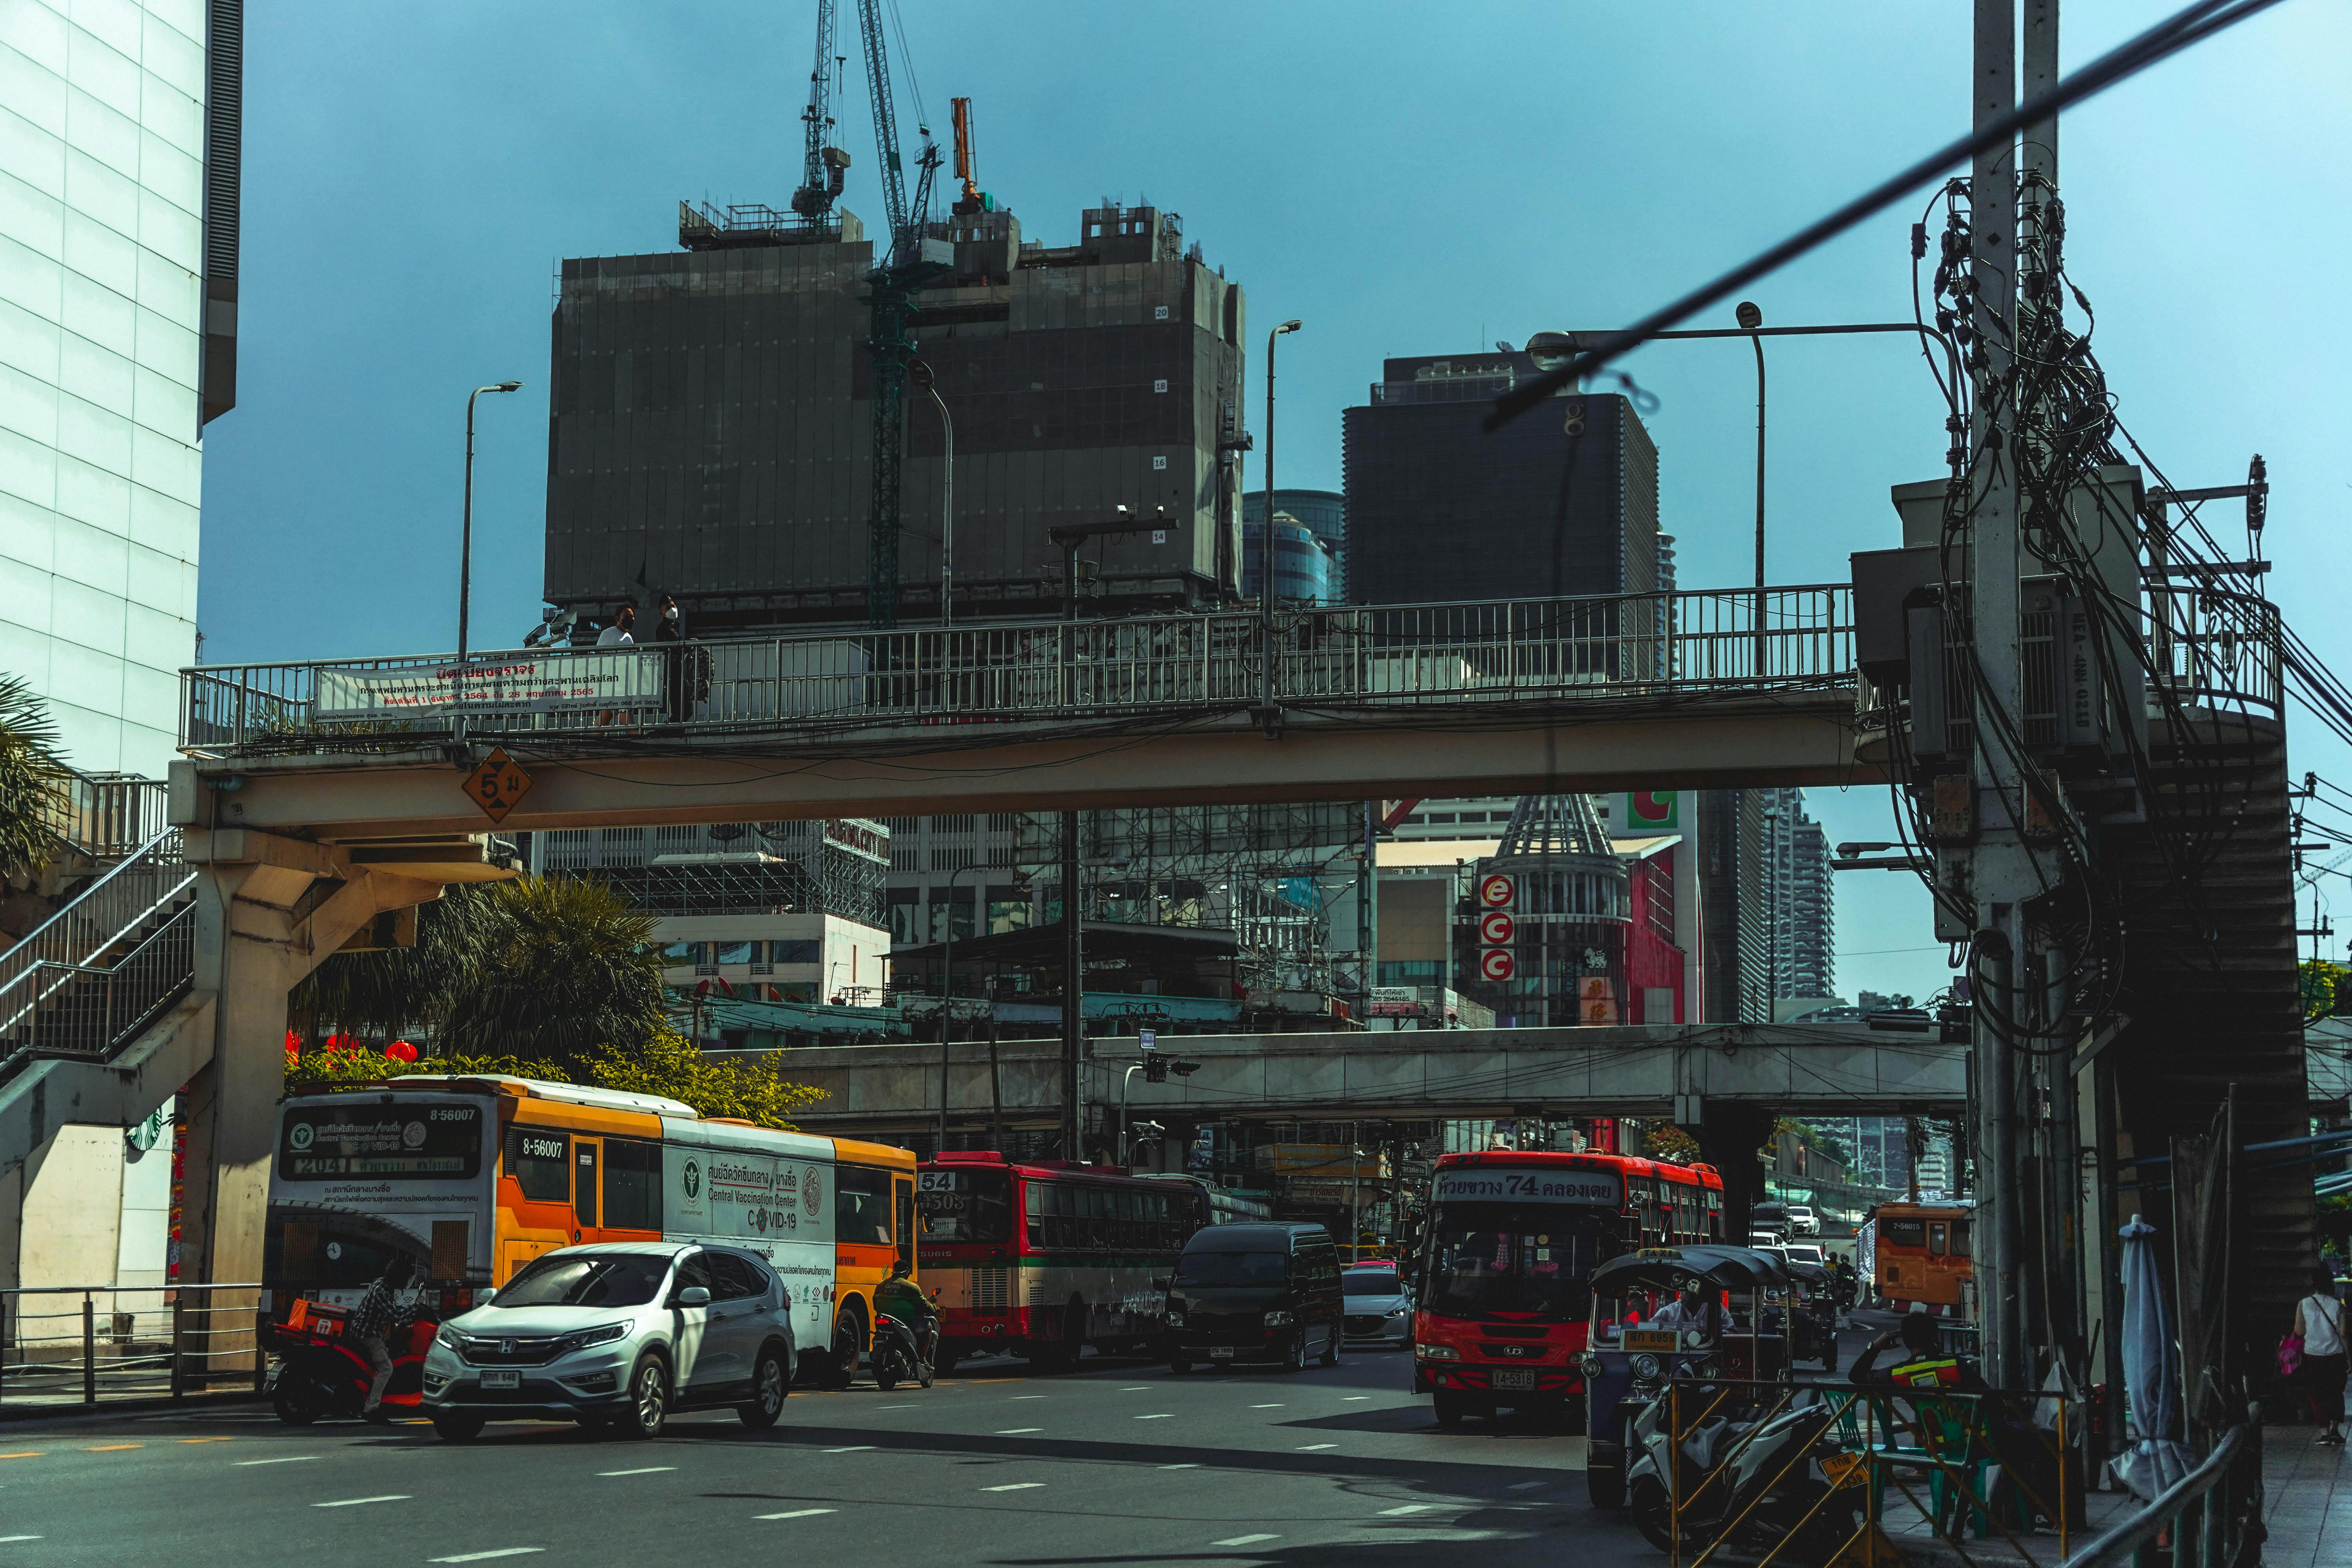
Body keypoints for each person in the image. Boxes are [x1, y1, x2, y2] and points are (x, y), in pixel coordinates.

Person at [351, 1254, 415, 1422]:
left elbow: (393, 1309)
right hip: (367, 1334)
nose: (407, 1282)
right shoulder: (381, 1291)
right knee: (387, 1368)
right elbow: (395, 1314)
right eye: (406, 1278)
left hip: (369, 1331)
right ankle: (371, 1410)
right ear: (399, 1277)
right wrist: (416, 1309)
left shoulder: (382, 1284)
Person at [2298, 1266, 2347, 1445]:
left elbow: (2299, 1331)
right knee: (2336, 1392)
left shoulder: (2304, 1304)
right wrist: (2350, 1358)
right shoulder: (2337, 1305)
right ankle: (2335, 1431)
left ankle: (2324, 1432)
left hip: (2313, 1355)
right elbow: (2343, 1334)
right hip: (2335, 1356)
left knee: (2316, 1394)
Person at [649, 593, 696, 725]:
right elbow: (670, 649)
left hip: (679, 671)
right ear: (662, 613)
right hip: (671, 672)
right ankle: (667, 731)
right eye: (667, 607)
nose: (672, 609)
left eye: (672, 605)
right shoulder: (663, 628)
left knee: (686, 709)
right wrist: (687, 646)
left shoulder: (675, 626)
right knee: (679, 709)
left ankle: (674, 731)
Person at [594, 605, 637, 726]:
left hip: (623, 682)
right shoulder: (609, 633)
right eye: (626, 616)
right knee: (624, 713)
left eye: (632, 616)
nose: (630, 619)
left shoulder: (628, 637)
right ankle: (633, 739)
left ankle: (594, 740)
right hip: (613, 682)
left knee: (607, 714)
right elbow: (599, 654)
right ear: (618, 618)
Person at [1650, 1281, 1726, 1341]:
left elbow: (1731, 1332)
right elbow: (1649, 1331)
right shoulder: (1669, 1312)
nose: (1693, 1302)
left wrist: (1711, 1335)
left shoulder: (1716, 1308)